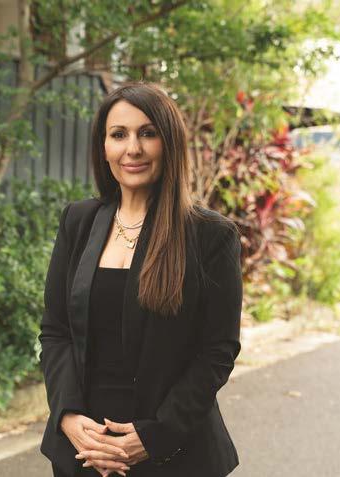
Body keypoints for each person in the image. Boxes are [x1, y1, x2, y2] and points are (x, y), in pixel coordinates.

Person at [39, 81, 243, 477]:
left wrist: (154, 436)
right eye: (119, 135)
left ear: (170, 143)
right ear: (103, 147)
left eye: (147, 133)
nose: (132, 148)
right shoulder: (78, 221)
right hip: (85, 450)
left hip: (172, 454)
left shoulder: (210, 235)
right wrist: (67, 416)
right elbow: (55, 331)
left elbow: (217, 351)